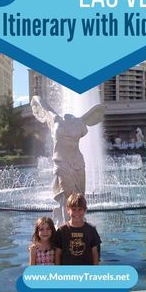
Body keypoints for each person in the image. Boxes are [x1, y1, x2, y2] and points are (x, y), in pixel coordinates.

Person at [31, 96, 104, 224]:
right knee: (65, 195)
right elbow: (43, 104)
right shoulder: (55, 119)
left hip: (78, 163)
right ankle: (65, 226)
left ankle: (79, 225)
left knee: (80, 196)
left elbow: (98, 111)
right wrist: (37, 98)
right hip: (61, 162)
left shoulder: (80, 122)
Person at [54, 194, 102, 292]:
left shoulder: (91, 230)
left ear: (85, 210)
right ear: (67, 209)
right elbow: (58, 253)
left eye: (80, 209)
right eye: (73, 209)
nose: (76, 213)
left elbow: (95, 253)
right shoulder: (62, 231)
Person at [27, 217, 62, 292]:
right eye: (41, 229)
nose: (45, 232)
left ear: (52, 230)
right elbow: (32, 268)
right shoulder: (34, 248)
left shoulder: (55, 248)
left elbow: (58, 267)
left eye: (48, 229)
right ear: (37, 231)